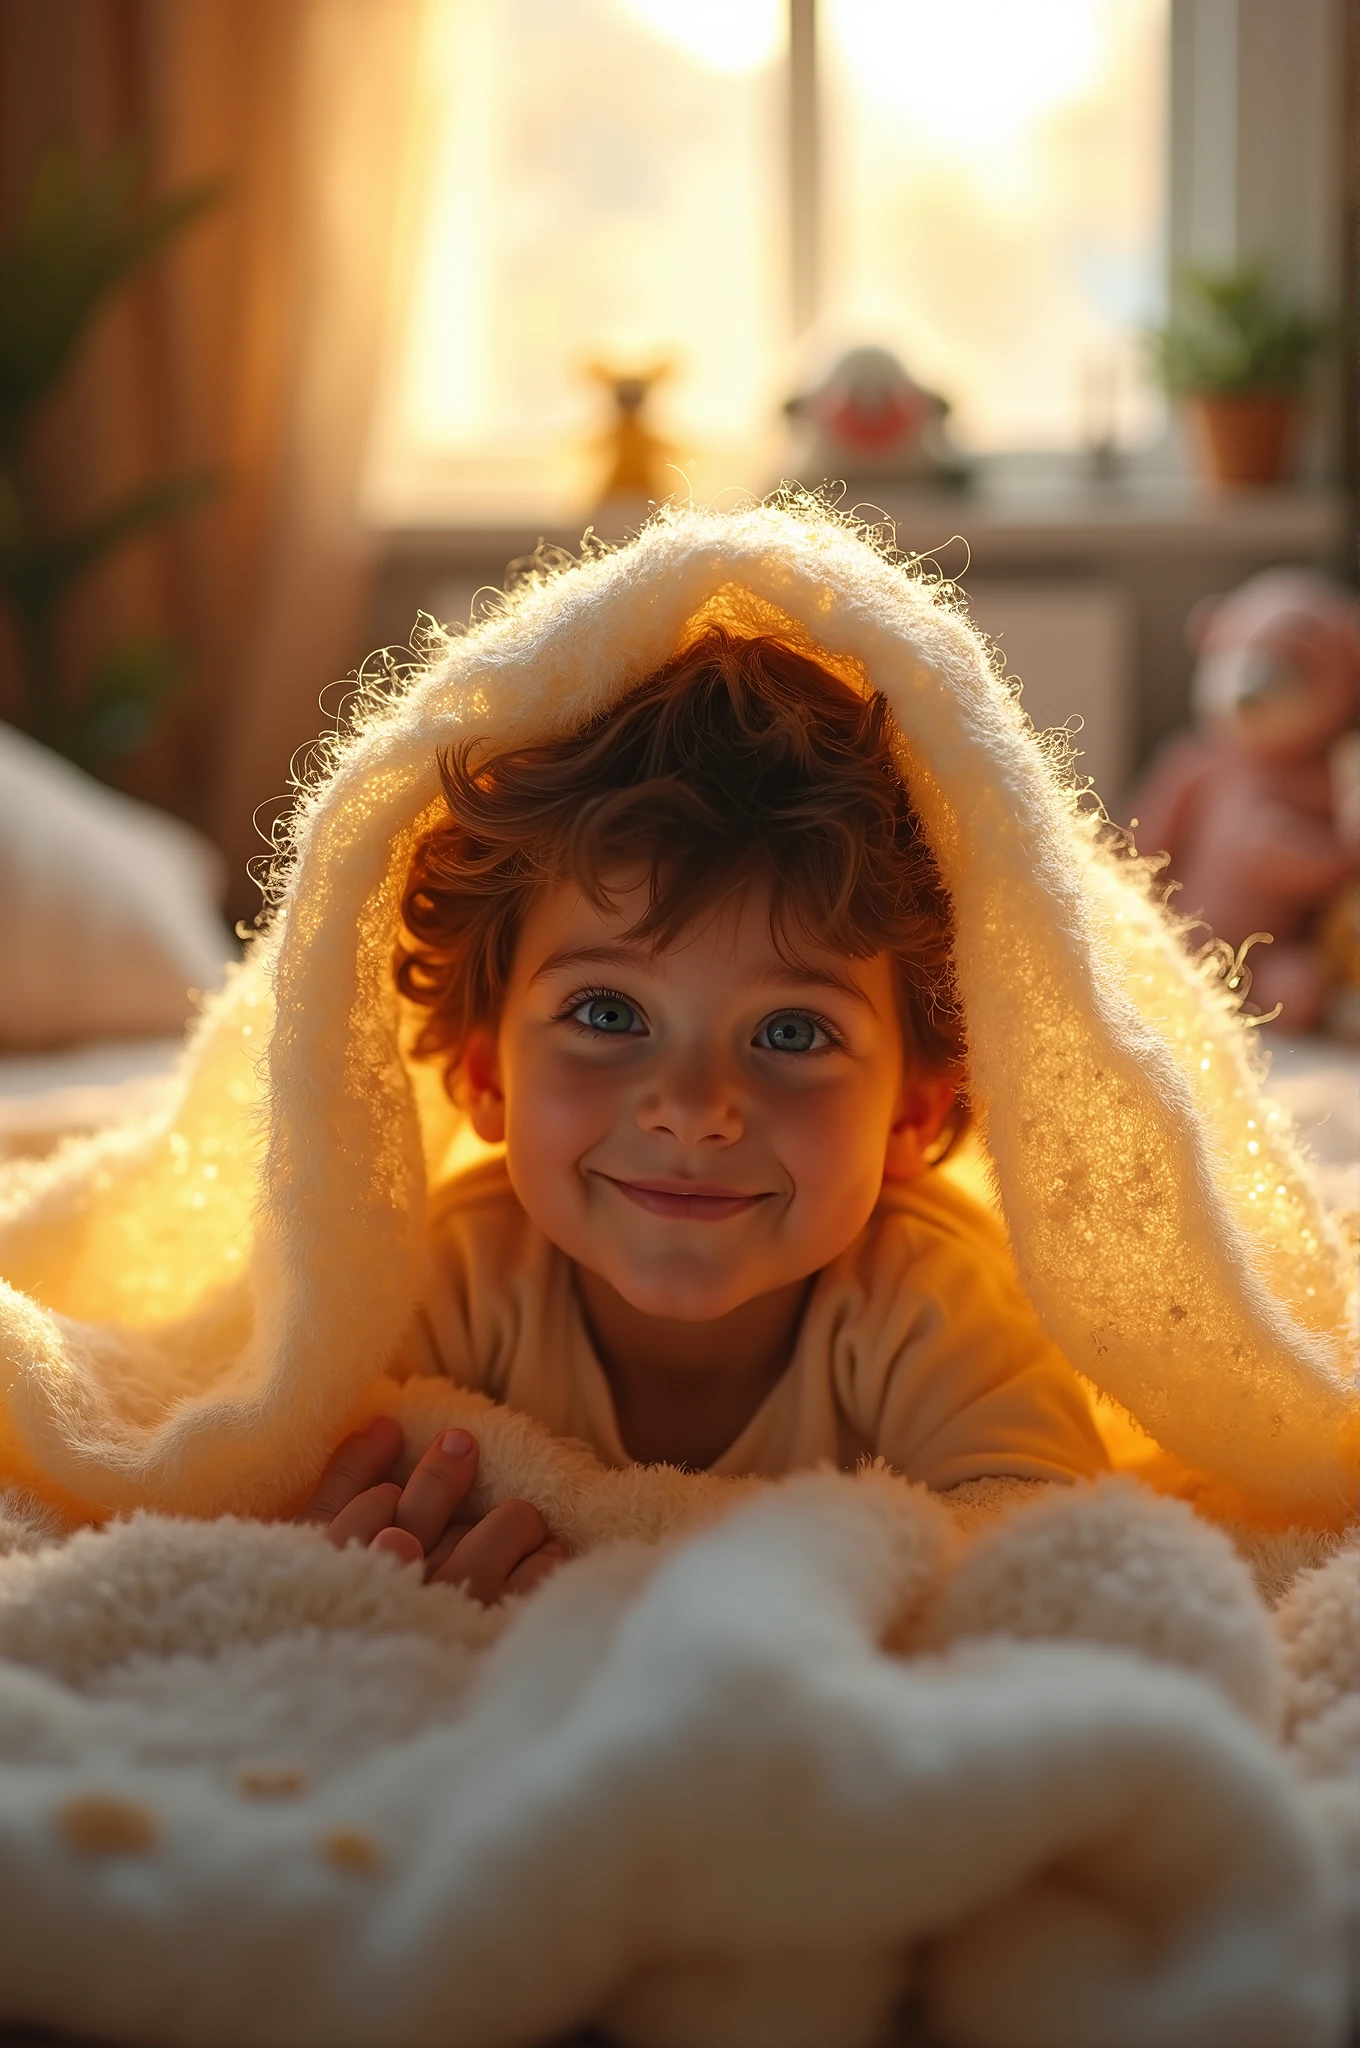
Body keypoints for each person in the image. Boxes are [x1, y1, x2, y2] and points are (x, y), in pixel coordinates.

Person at [299, 629, 1107, 1598]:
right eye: (607, 1012)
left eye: (793, 1032)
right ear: (488, 1077)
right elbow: (309, 1486)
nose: (691, 1110)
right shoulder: (448, 1278)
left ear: (913, 1108)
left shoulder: (928, 1303)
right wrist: (345, 1533)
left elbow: (1051, 1558)